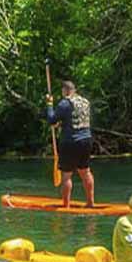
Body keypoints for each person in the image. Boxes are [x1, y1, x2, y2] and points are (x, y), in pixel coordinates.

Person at [45, 80, 97, 208]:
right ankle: (90, 203)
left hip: (70, 142)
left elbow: (52, 119)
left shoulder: (65, 103)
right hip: (86, 140)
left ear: (65, 90)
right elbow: (74, 117)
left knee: (66, 175)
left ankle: (66, 205)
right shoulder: (85, 102)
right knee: (85, 172)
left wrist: (50, 104)